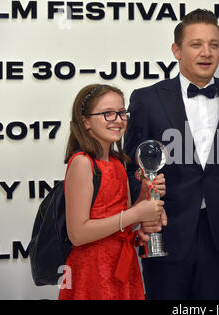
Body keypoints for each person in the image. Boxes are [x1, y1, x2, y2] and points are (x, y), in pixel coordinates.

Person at [124, 9, 219, 299]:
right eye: (196, 44)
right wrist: (143, 209)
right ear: (176, 50)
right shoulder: (147, 99)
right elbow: (131, 168)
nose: (207, 53)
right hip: (164, 232)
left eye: (214, 44)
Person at [58, 84, 166, 300]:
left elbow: (123, 221)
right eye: (108, 114)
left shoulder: (117, 163)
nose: (118, 120)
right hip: (93, 270)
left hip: (123, 266)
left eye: (121, 112)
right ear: (85, 121)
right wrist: (136, 214)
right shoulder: (82, 163)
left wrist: (144, 197)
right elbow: (77, 234)